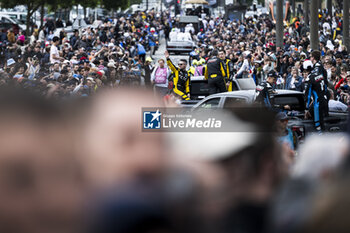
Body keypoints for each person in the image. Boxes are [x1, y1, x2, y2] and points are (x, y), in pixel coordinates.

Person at [304, 51, 329, 132]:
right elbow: (325, 84)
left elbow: (307, 95)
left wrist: (306, 109)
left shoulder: (312, 75)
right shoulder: (321, 68)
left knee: (318, 126)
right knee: (323, 125)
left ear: (313, 58)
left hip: (317, 103)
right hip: (323, 99)